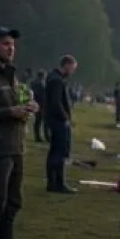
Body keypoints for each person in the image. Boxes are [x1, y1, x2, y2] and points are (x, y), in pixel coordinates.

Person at [0, 26, 39, 239]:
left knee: (12, 204)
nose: (11, 48)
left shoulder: (11, 76)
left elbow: (16, 104)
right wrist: (9, 112)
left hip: (15, 147)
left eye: (12, 44)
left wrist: (28, 107)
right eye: (5, 44)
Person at [43, 55, 78, 194]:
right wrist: (65, 117)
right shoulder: (56, 80)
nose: (73, 71)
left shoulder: (53, 77)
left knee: (54, 152)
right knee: (60, 152)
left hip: (53, 120)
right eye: (73, 68)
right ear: (67, 65)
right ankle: (58, 183)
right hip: (58, 121)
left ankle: (53, 182)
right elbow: (56, 103)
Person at [29, 70, 47, 143]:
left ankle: (37, 136)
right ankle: (38, 137)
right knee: (39, 121)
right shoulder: (41, 83)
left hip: (35, 102)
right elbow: (42, 94)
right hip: (41, 104)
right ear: (42, 76)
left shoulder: (33, 82)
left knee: (37, 121)